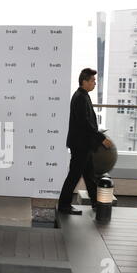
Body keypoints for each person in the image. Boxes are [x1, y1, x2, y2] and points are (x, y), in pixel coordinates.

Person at [57, 68, 113, 215]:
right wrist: (102, 138)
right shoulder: (80, 97)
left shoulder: (84, 96)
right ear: (84, 81)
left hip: (84, 144)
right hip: (80, 144)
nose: (95, 83)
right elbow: (85, 123)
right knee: (74, 175)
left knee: (89, 175)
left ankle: (95, 202)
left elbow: (88, 123)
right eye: (93, 81)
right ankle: (64, 205)